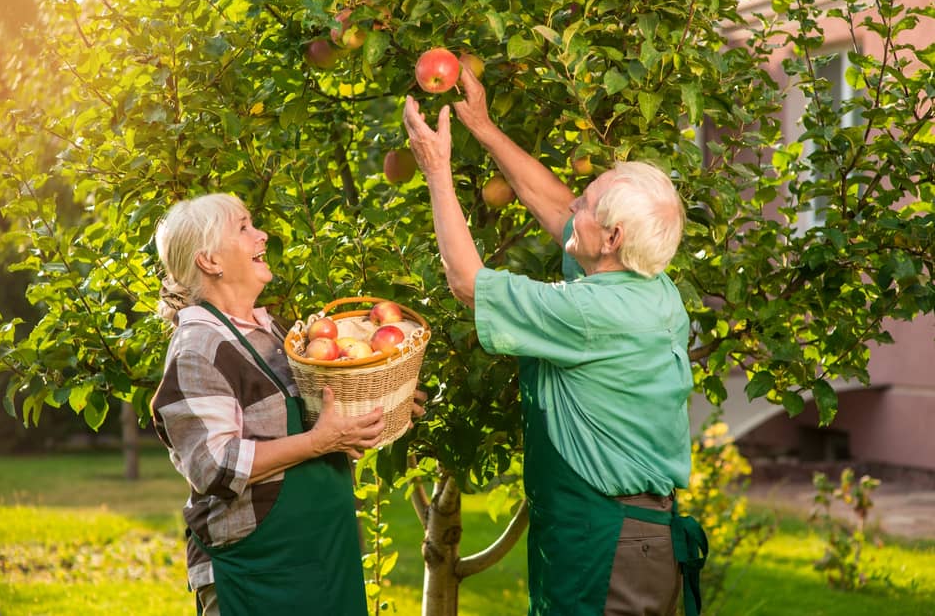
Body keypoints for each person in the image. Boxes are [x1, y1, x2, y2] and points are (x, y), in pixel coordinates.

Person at [402, 66, 706, 616]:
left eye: (586, 206)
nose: (573, 208)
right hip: (618, 532)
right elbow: (554, 202)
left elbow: (467, 283)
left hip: (604, 541)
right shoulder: (649, 285)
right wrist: (484, 127)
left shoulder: (590, 312)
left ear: (611, 238)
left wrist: (437, 170)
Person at [150, 193, 422, 616]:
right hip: (260, 571)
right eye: (243, 228)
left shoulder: (273, 331)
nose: (262, 235)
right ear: (210, 261)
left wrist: (377, 399)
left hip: (322, 554)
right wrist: (320, 441)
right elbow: (215, 466)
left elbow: (312, 422)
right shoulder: (199, 348)